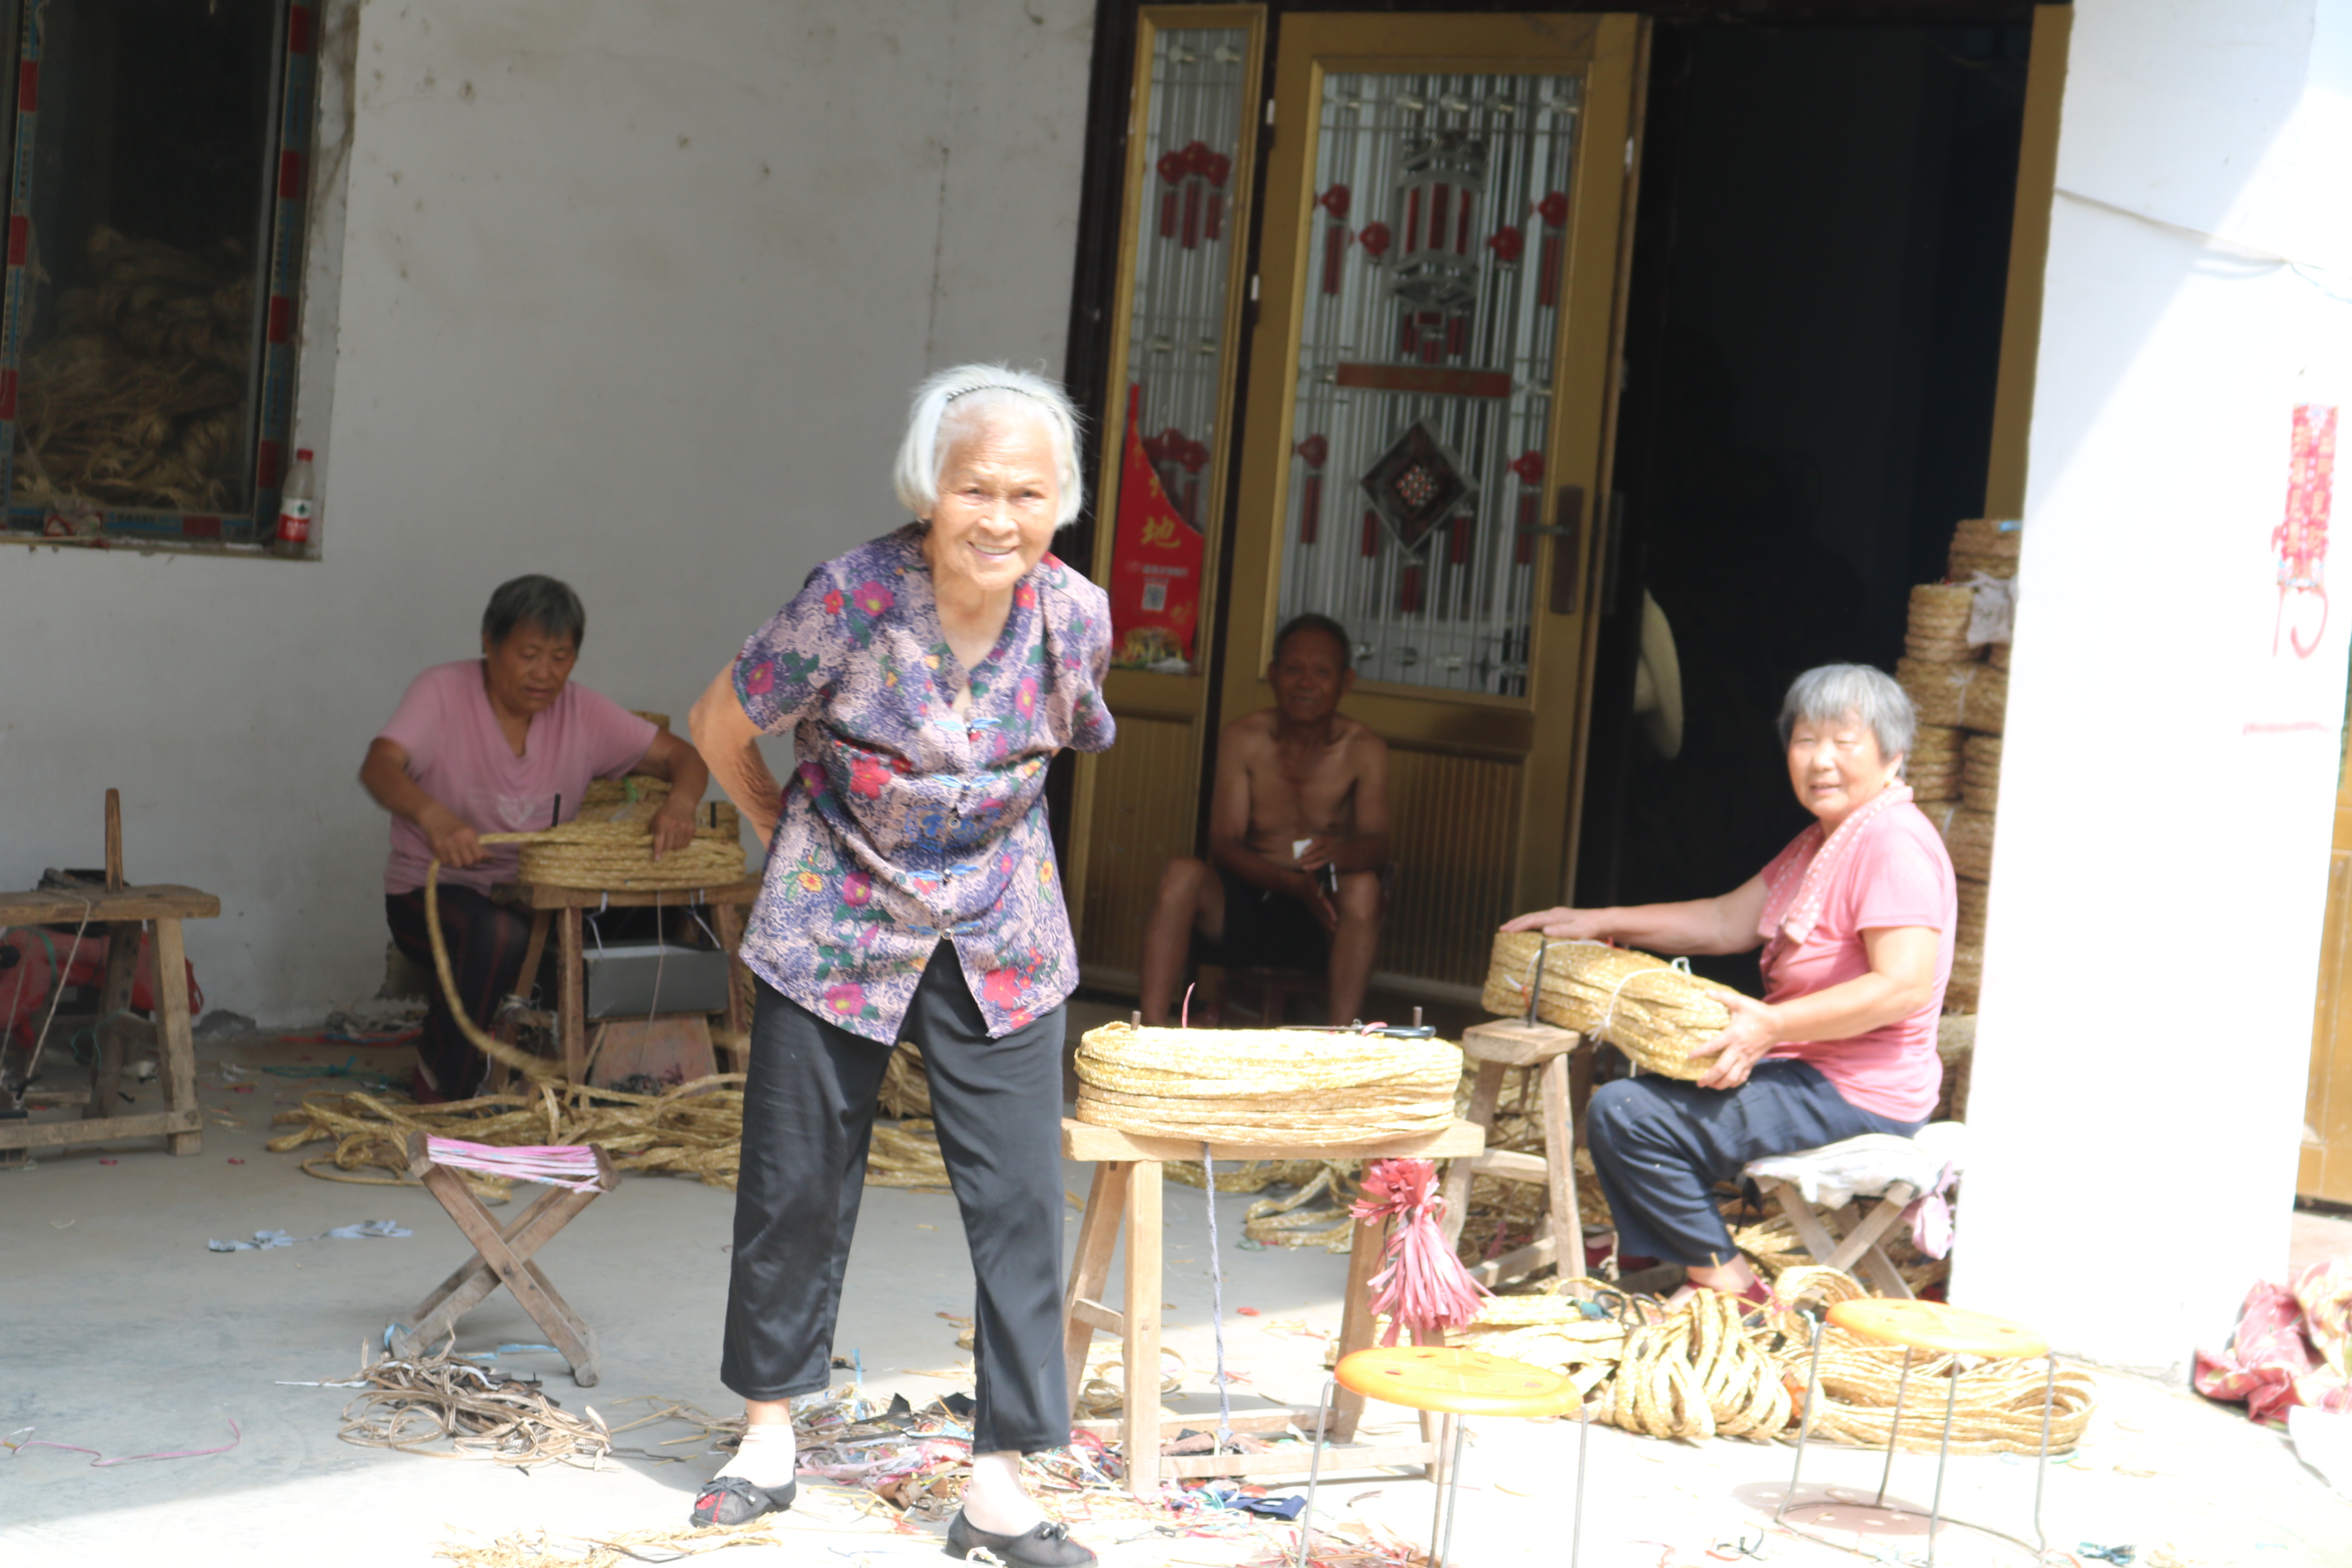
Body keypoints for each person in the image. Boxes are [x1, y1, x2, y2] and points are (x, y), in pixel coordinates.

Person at [687, 365, 1113, 1565]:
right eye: (975, 487)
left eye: (1028, 493)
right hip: (836, 916)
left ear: (1061, 503)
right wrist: (789, 834)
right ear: (927, 487)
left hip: (1000, 925)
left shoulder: (1075, 614)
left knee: (1018, 1198)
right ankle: (766, 1437)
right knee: (797, 1179)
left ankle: (998, 1486)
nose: (1000, 516)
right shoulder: (851, 598)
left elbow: (1058, 741)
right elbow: (717, 722)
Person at [1502, 663, 1954, 1305]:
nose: (1820, 760)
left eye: (1844, 742)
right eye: (1805, 740)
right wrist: (1599, 920)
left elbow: (1901, 987)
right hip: (1811, 1071)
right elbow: (1722, 921)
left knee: (1629, 1112)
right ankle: (1664, 1252)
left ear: (1893, 755)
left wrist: (1773, 1024)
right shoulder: (1822, 843)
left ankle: (1729, 1285)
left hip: (1857, 1090)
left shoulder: (1892, 843)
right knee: (1649, 1086)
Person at [361, 575, 711, 1102]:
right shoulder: (442, 692)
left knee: (650, 910)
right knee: (498, 933)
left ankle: (604, 1079)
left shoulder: (581, 712)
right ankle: (446, 1087)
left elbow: (682, 758)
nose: (544, 673)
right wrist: (433, 817)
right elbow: (380, 765)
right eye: (528, 655)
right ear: (489, 643)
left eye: (560, 657)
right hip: (431, 896)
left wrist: (681, 803)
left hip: (537, 899)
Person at [1137, 612, 1390, 1026]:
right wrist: (1291, 883)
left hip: (1323, 914)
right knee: (1181, 875)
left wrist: (1337, 856)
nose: (1306, 684)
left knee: (1363, 888)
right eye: (1293, 670)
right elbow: (1225, 845)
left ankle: (1343, 1036)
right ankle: (1149, 1033)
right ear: (1272, 675)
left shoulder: (1364, 748)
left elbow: (1378, 844)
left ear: (1346, 682)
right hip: (1249, 904)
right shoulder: (1244, 738)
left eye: (1322, 672)